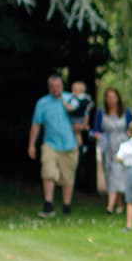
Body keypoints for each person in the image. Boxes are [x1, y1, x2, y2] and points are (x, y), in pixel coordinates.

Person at [27, 73, 79, 218]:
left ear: (62, 86)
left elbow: (82, 117)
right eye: (52, 86)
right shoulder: (42, 103)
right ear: (49, 87)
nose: (55, 89)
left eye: (58, 86)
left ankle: (67, 205)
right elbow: (36, 125)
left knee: (68, 177)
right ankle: (48, 204)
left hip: (70, 144)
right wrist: (32, 144)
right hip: (50, 143)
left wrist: (80, 128)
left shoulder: (71, 100)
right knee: (48, 172)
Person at [94, 87, 132, 213]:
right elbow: (96, 129)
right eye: (108, 97)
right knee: (110, 172)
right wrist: (98, 135)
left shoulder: (126, 112)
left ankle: (110, 206)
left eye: (113, 97)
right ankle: (119, 203)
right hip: (108, 147)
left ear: (118, 98)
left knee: (118, 173)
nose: (111, 100)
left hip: (123, 147)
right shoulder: (102, 112)